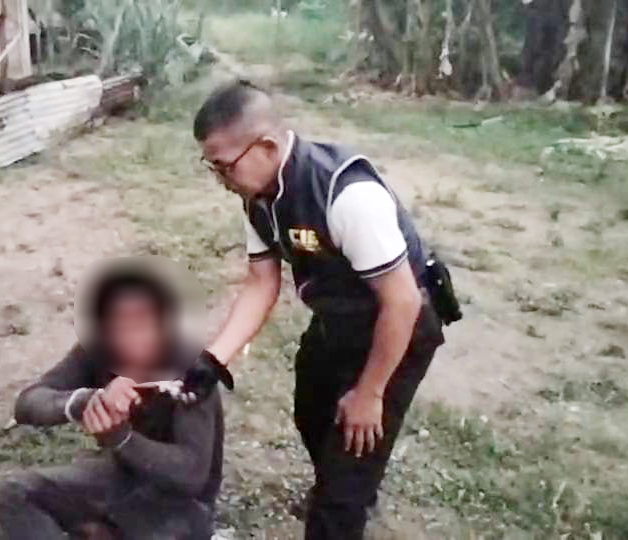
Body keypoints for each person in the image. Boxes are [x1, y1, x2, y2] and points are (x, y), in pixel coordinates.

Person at [182, 80, 448, 539]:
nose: (221, 180)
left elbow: (402, 301)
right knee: (311, 412)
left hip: (399, 328)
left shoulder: (347, 196)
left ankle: (345, 498)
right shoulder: (259, 197)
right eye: (212, 167)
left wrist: (370, 393)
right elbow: (262, 282)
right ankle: (346, 483)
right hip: (337, 322)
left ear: (266, 146)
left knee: (344, 480)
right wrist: (213, 360)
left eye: (225, 167)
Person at [0, 268, 223, 540]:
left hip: (178, 507)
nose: (129, 337)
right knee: (16, 493)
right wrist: (83, 403)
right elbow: (28, 403)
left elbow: (191, 475)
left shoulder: (193, 372)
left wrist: (121, 438)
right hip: (121, 479)